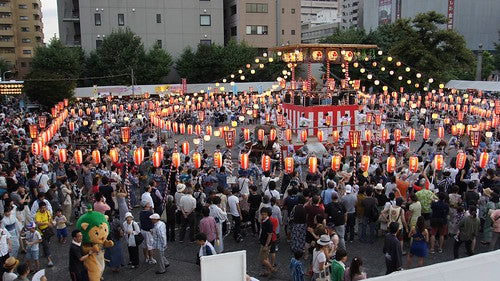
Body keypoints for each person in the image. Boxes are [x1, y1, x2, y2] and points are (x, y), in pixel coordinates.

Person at [34, 201, 54, 267]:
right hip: (41, 232)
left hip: (48, 231)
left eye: (45, 208)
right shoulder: (37, 215)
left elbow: (50, 219)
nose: (44, 209)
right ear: (39, 208)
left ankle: (44, 252)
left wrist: (51, 223)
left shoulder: (47, 212)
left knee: (47, 243)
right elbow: (38, 223)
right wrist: (46, 223)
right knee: (46, 245)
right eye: (42, 208)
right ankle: (49, 260)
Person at [259, 207, 276, 277]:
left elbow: (270, 235)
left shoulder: (269, 223)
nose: (263, 216)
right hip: (264, 241)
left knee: (262, 259)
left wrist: (266, 245)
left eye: (265, 214)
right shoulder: (264, 221)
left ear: (267, 214)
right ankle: (267, 271)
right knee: (265, 258)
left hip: (265, 243)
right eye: (262, 214)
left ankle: (271, 269)